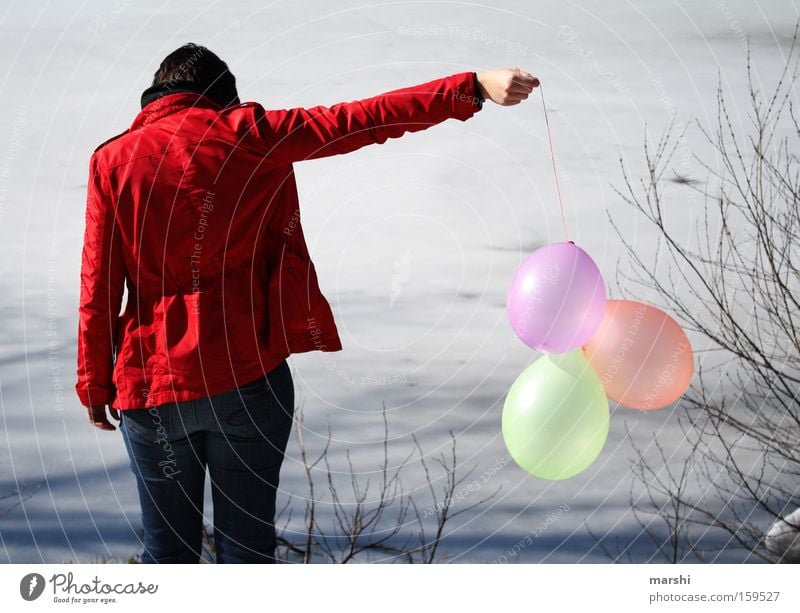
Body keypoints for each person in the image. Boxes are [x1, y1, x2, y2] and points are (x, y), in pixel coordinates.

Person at [75, 42, 539, 563]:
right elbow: (361, 119)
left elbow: (98, 284)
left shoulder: (111, 162)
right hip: (247, 377)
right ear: (223, 99)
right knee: (247, 550)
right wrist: (471, 85)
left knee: (167, 555)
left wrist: (94, 382)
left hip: (152, 387)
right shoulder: (251, 136)